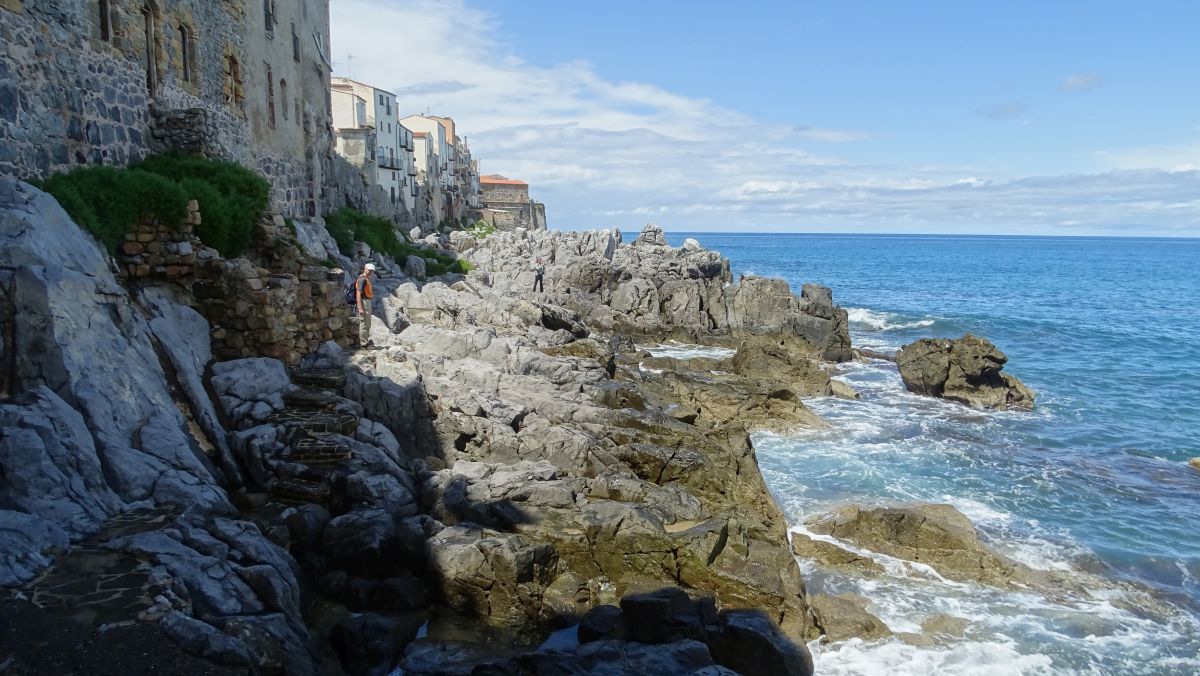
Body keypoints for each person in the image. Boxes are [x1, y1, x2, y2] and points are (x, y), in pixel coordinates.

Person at [356, 262, 375, 348]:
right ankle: (364, 344)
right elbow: (358, 293)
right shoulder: (363, 279)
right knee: (364, 323)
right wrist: (360, 308)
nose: (371, 272)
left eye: (372, 271)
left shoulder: (366, 278)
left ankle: (365, 341)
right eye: (369, 270)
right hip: (364, 302)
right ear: (365, 269)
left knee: (367, 323)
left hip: (367, 301)